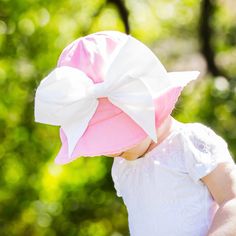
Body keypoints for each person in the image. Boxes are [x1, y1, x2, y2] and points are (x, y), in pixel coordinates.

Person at [34, 30, 236, 236]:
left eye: (115, 139)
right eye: (104, 143)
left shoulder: (189, 144)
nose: (112, 152)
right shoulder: (124, 167)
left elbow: (232, 200)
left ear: (147, 109)